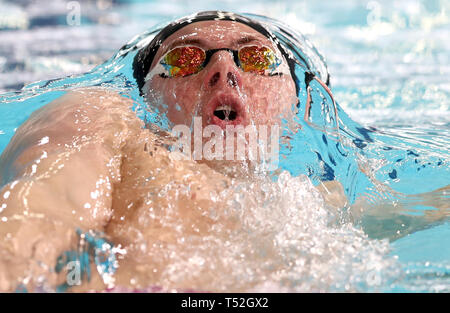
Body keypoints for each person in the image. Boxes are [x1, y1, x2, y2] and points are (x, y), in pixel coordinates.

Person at [0, 11, 445, 292]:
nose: (224, 70)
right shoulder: (101, 119)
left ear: (300, 103)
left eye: (256, 61)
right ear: (144, 96)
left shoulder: (313, 203)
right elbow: (39, 214)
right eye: (184, 59)